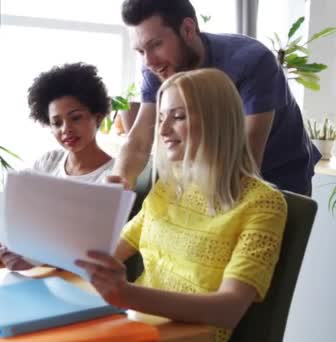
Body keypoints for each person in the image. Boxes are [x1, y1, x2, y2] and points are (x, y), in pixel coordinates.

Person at [73, 69, 287, 342]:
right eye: (161, 117)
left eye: (178, 117)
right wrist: (35, 253)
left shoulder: (263, 204)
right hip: (132, 326)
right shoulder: (169, 187)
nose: (161, 130)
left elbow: (229, 309)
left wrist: (126, 294)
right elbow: (111, 251)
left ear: (217, 121)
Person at [114, 0, 320, 195]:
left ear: (188, 29)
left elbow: (247, 160)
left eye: (156, 44)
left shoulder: (251, 62)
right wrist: (117, 188)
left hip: (278, 175)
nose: (149, 61)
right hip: (211, 175)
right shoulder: (157, 66)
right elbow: (139, 142)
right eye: (141, 51)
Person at [0, 62, 115, 258]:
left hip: (71, 276)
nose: (65, 129)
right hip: (30, 269)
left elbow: (80, 248)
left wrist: (2, 253)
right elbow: (6, 209)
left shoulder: (112, 176)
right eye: (56, 123)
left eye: (75, 118)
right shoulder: (50, 162)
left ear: (98, 117)